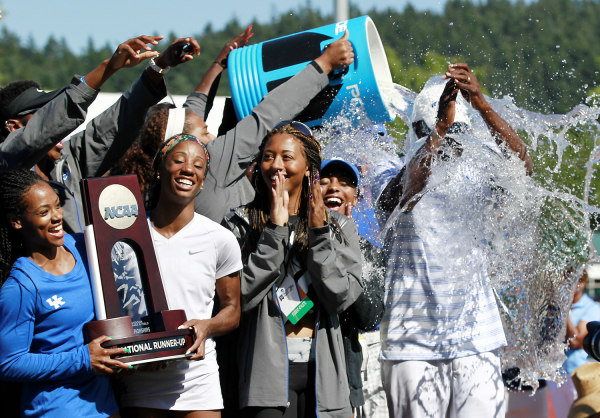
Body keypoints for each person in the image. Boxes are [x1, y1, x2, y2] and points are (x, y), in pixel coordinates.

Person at [379, 63, 533, 418]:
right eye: (444, 129)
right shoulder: (392, 171)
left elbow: (522, 168)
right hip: (411, 345)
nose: (454, 139)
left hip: (476, 339)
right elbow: (408, 192)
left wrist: (482, 105)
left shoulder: (477, 173)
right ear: (420, 129)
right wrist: (441, 127)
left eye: (460, 130)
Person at [222, 122, 363, 418]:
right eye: (268, 156)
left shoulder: (340, 228)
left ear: (309, 166)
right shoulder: (239, 223)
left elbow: (339, 297)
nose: (276, 165)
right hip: (264, 375)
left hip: (323, 373)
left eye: (287, 157)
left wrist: (320, 234)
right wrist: (273, 231)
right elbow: (239, 297)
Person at [1, 35, 202, 233]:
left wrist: (159, 66)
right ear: (13, 126)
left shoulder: (68, 160)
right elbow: (44, 130)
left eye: (51, 108)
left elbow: (117, 122)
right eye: (42, 113)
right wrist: (109, 67)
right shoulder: (7, 169)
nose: (58, 123)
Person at [115, 133, 242, 417]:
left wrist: (206, 327)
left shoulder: (220, 239)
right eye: (179, 160)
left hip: (198, 383)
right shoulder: (127, 237)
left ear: (203, 180)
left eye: (198, 165)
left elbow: (233, 310)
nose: (188, 169)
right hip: (140, 383)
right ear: (159, 168)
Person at [0, 169, 130, 417]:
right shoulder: (21, 287)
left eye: (57, 206)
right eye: (43, 212)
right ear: (17, 221)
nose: (57, 216)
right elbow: (9, 363)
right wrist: (82, 360)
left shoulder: (84, 247)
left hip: (106, 406)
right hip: (57, 408)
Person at [319, 158, 385, 415]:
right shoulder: (296, 242)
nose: (334, 187)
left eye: (344, 183)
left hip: (345, 379)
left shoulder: (370, 254)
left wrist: (344, 247)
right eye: (324, 182)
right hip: (299, 373)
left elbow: (368, 318)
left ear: (355, 199)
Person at [548, 267, 600, 417]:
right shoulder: (554, 308)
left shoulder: (592, 308)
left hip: (580, 378)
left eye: (569, 281)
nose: (564, 285)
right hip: (557, 376)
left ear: (582, 282)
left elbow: (576, 341)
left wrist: (563, 310)